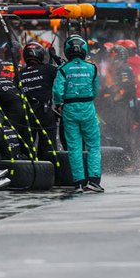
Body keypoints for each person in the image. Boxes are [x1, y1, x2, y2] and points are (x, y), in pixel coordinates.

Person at [52, 35, 103, 194]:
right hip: (87, 107)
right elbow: (95, 91)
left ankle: (79, 183)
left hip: (69, 109)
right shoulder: (92, 68)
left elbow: (57, 92)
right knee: (93, 146)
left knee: (74, 147)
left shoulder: (63, 69)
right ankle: (94, 181)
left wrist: (60, 105)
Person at [17, 42, 58, 161]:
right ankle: (51, 173)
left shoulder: (19, 74)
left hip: (27, 115)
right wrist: (54, 57)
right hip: (45, 114)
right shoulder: (49, 69)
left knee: (27, 149)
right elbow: (65, 72)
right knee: (49, 148)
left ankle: (29, 173)